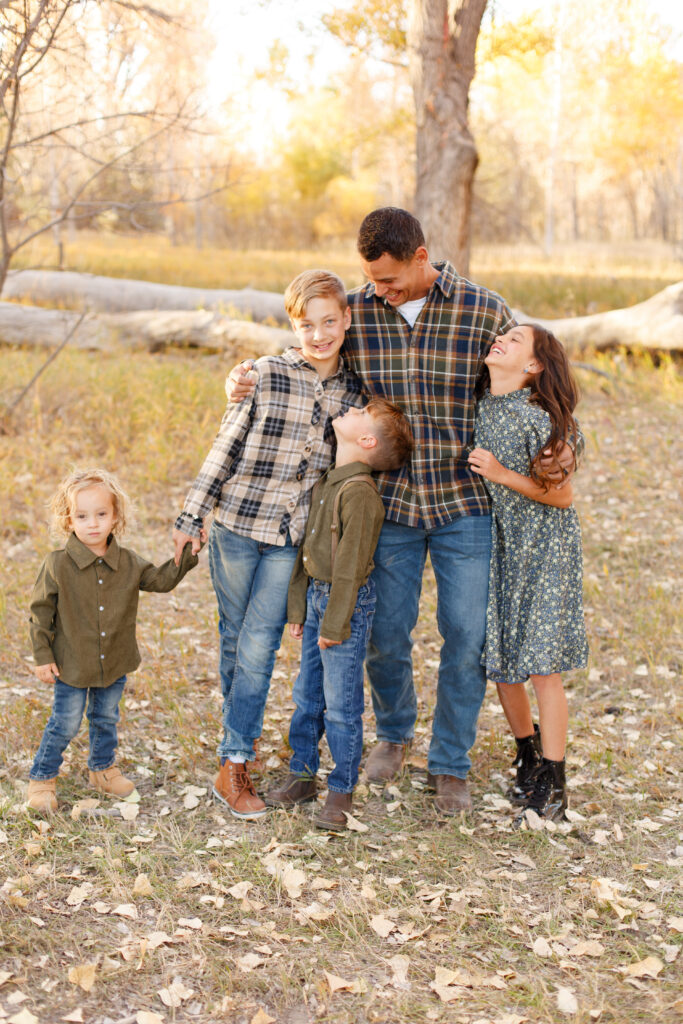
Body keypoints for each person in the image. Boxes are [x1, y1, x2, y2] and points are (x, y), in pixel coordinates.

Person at [227, 207, 576, 816]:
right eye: (371, 279)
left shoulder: (482, 310)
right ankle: (393, 734)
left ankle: (449, 764)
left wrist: (561, 436)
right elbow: (315, 348)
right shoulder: (359, 310)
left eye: (388, 280)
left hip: (464, 503)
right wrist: (248, 377)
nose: (378, 291)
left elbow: (529, 374)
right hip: (387, 504)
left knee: (466, 638)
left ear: (421, 258)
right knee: (385, 635)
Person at [172, 269, 364, 820]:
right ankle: (236, 755)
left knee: (258, 642)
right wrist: (192, 514)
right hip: (235, 524)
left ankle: (235, 763)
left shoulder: (355, 393)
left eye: (330, 322)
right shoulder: (266, 374)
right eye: (308, 325)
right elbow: (224, 446)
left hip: (289, 538)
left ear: (346, 320)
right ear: (292, 324)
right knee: (235, 639)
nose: (320, 334)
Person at [265, 398, 414, 830]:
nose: (349, 409)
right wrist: (300, 606)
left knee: (342, 705)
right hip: (317, 599)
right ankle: (303, 775)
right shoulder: (327, 483)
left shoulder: (360, 494)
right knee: (307, 696)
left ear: (365, 440)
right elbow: (308, 550)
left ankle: (341, 789)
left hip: (343, 607)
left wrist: (334, 622)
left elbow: (350, 568)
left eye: (359, 413)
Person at [468, 324, 589, 822]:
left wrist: (501, 474)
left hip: (545, 550)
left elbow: (561, 495)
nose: (501, 340)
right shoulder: (480, 404)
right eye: (503, 335)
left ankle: (555, 785)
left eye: (515, 340)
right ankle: (528, 754)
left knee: (542, 669)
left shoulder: (538, 419)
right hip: (502, 547)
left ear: (534, 367)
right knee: (502, 660)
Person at [26, 468, 198, 814]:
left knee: (106, 718)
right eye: (82, 516)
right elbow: (39, 612)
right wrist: (43, 656)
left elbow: (160, 581)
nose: (92, 523)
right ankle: (42, 778)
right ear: (68, 519)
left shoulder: (129, 562)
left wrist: (188, 554)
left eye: (101, 514)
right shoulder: (58, 565)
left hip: (114, 661)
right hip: (72, 664)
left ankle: (102, 770)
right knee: (66, 722)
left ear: (115, 516)